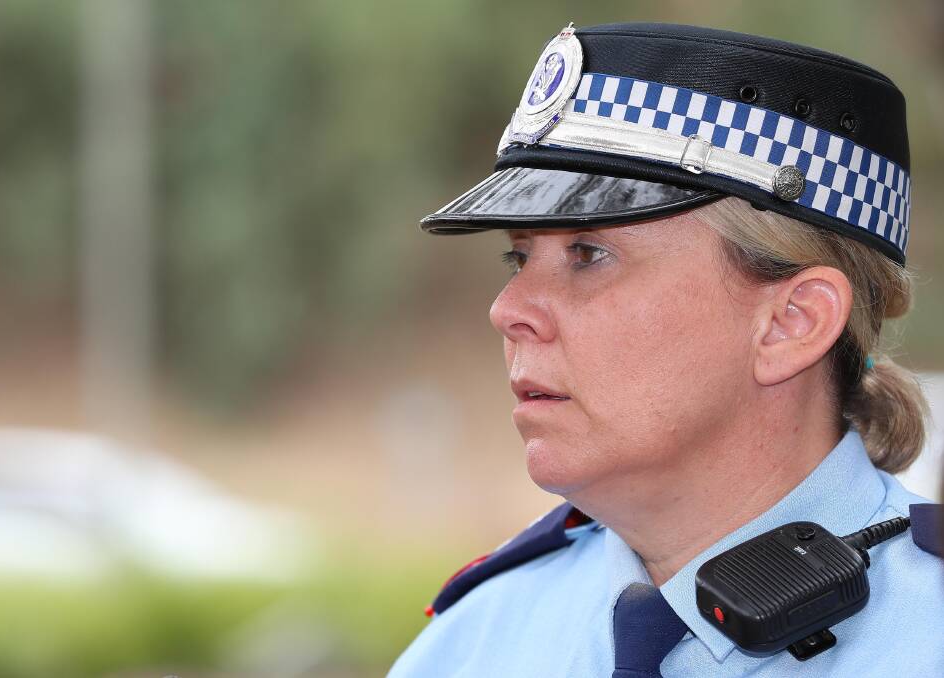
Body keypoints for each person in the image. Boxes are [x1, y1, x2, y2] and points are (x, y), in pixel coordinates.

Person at [388, 22, 944, 677]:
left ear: (792, 321)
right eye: (518, 257)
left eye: (588, 254)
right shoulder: (470, 644)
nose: (507, 311)